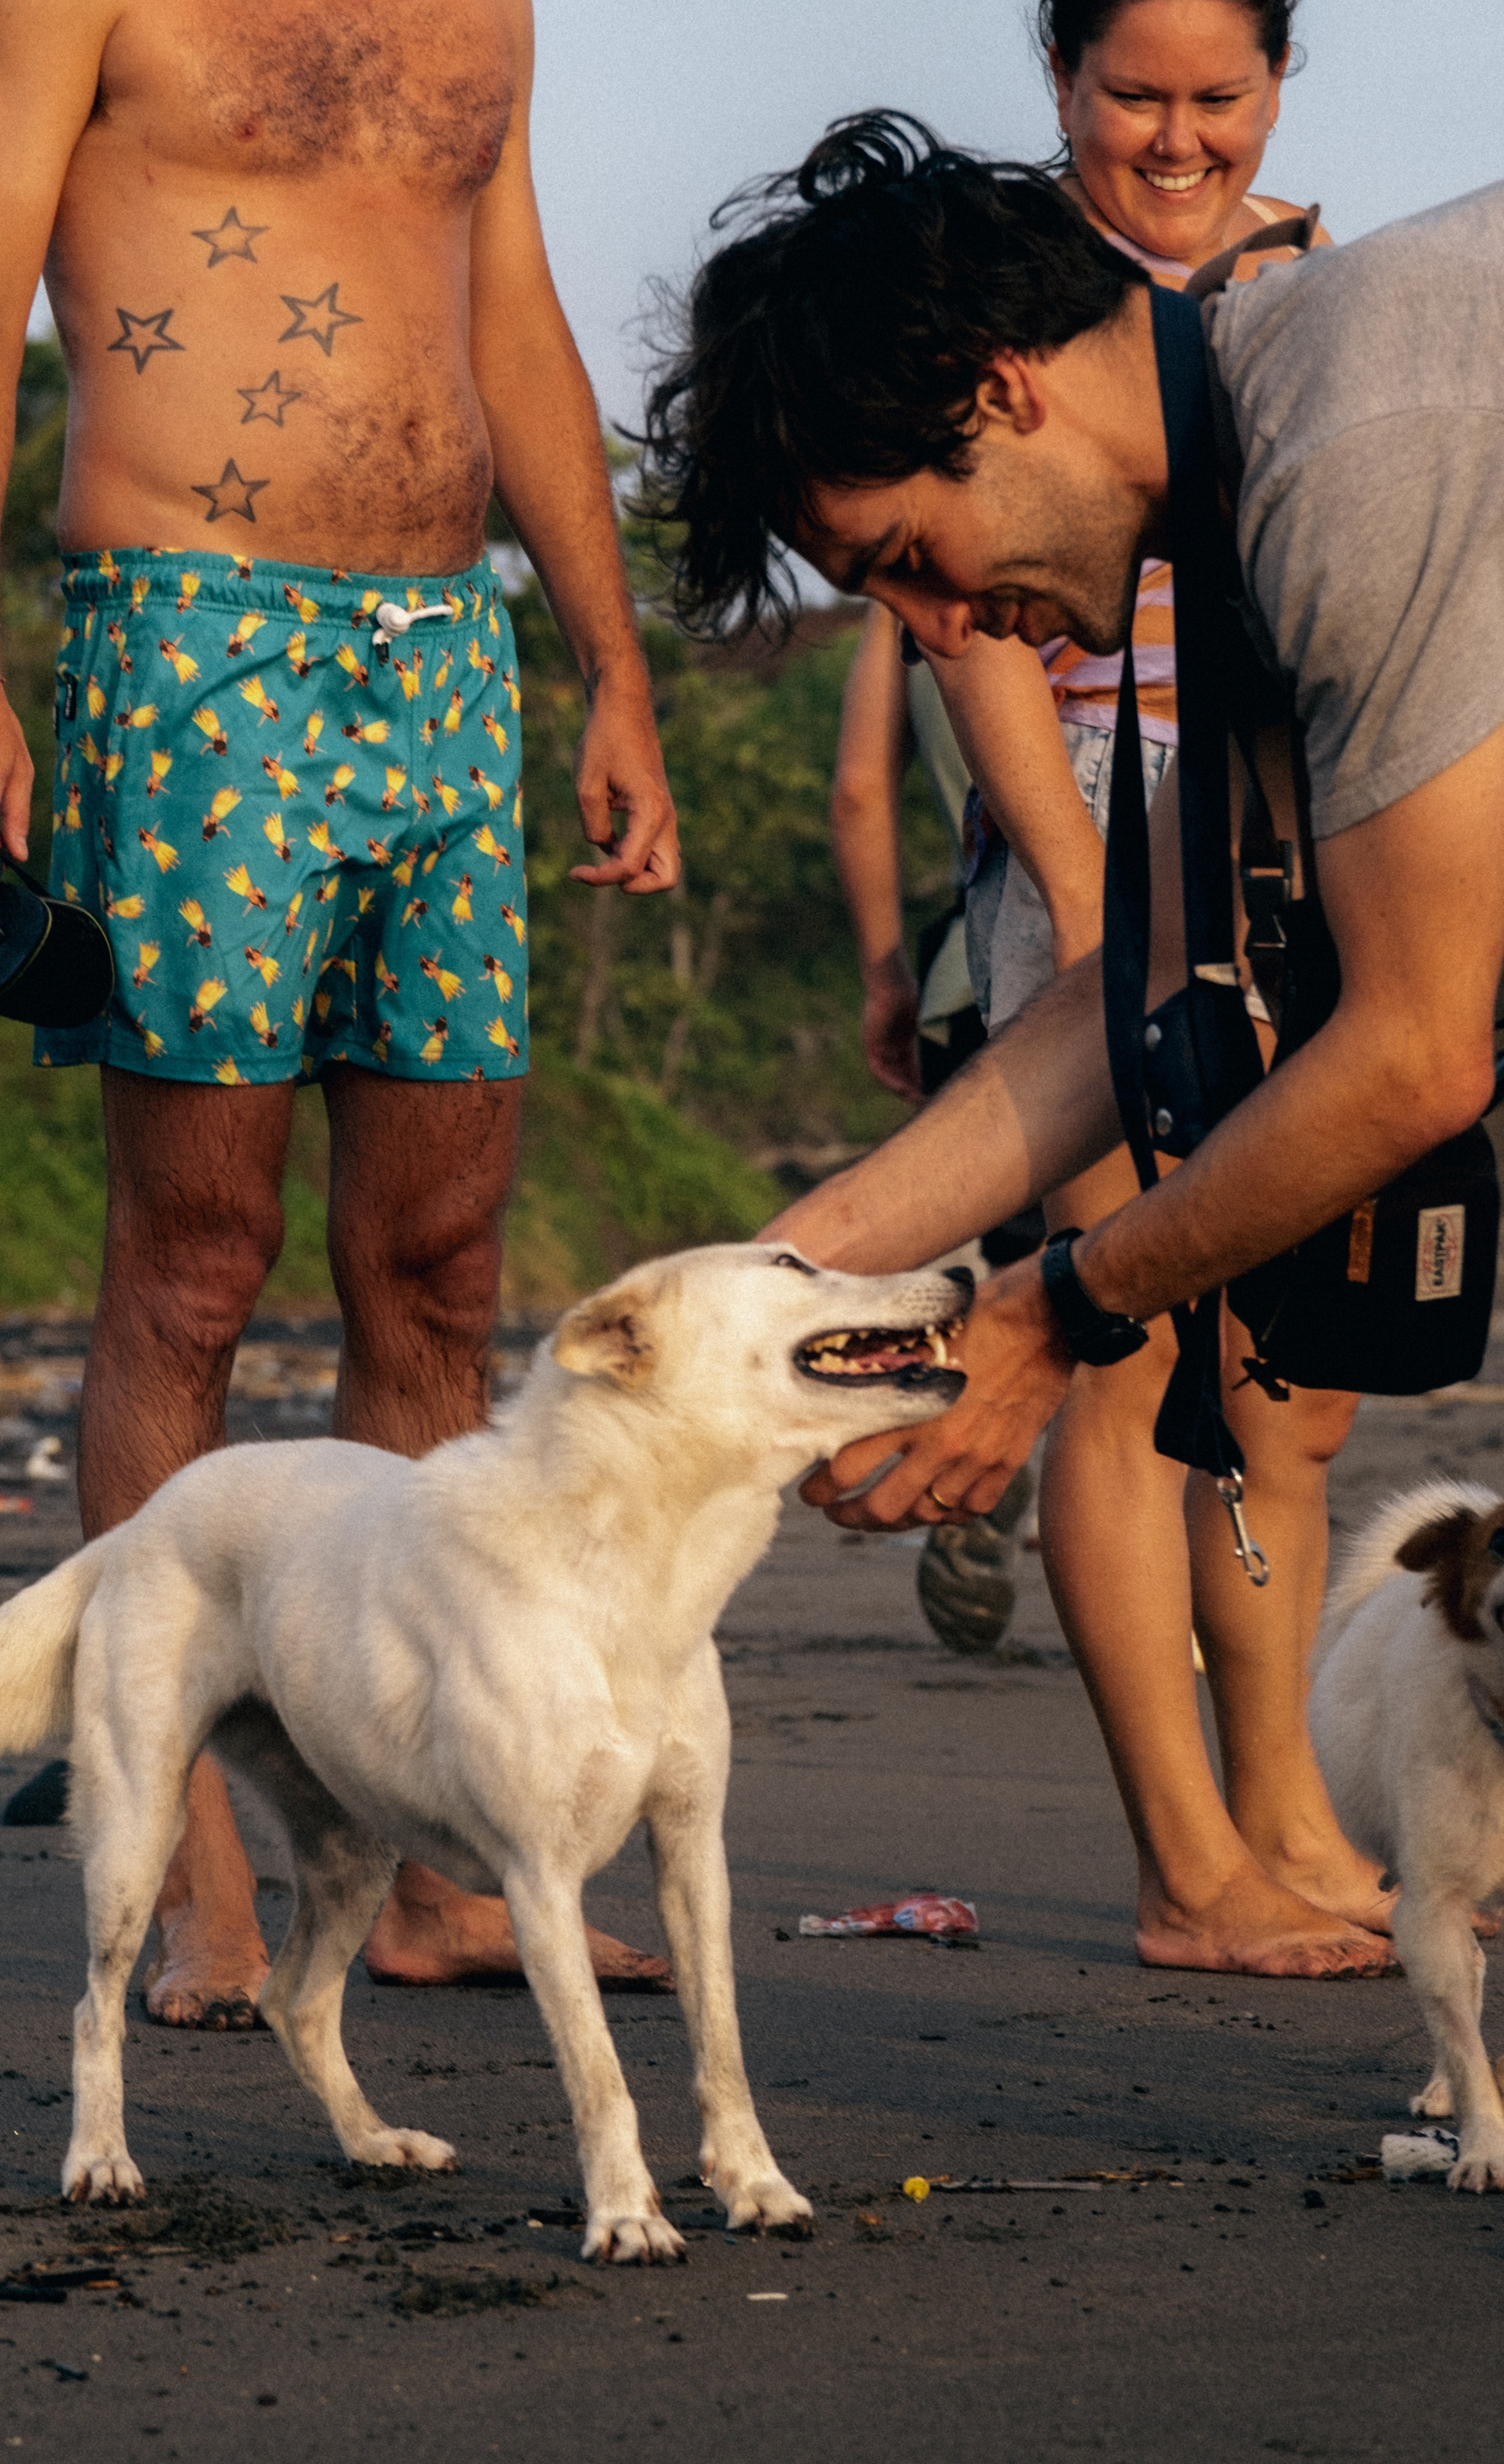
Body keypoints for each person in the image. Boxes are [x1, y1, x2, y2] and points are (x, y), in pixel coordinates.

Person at [641, 116, 1504, 1974]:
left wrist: (1053, 1312)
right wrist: (764, 1293)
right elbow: (1132, 1005)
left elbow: (1417, 1052)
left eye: (913, 562)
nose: (953, 633)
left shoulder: (1343, 448)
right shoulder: (1244, 506)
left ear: (1001, 387)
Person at [0, 0, 679, 2021]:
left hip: (445, 657)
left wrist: (610, 663)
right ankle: (185, 1875)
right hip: (188, 638)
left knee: (434, 1266)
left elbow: (513, 321)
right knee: (195, 1267)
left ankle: (427, 1868)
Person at [831, 0, 1382, 1979]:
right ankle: (1181, 1858)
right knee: (1118, 1350)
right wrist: (1085, 919)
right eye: (1129, 95)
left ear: (1280, 87)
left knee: (1288, 1378)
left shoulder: (1319, 281)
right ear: (1056, 77)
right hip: (1082, 827)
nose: (1173, 141)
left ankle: (1291, 1804)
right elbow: (966, 626)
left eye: (1216, 98)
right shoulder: (1000, 293)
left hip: (1279, 815)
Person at [830, 604, 1039, 1657]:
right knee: (1140, 1280)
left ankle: (979, 1454)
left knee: (1028, 1265)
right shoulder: (1133, 547)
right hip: (1156, 958)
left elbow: (863, 790)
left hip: (981, 972)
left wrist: (885, 976)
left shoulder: (908, 597)